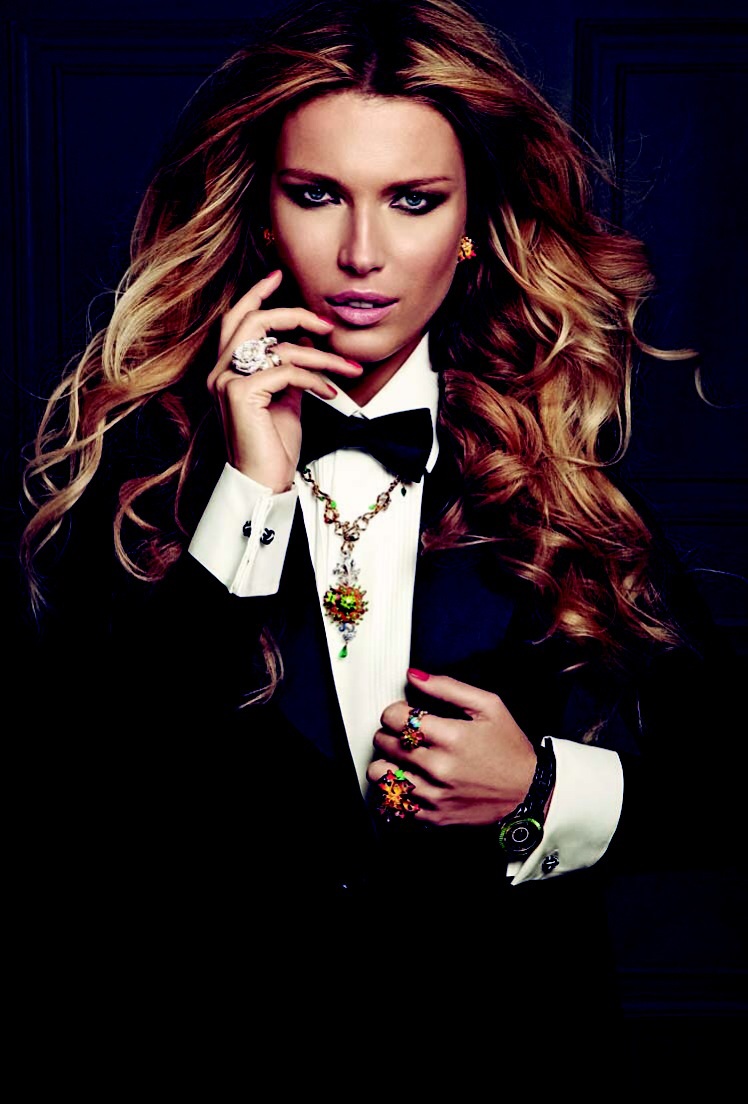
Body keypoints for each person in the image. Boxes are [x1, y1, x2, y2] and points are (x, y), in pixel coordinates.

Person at [17, 0, 743, 1084]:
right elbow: (96, 806)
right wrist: (250, 491)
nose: (362, 254)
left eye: (413, 200)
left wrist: (538, 791)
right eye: (317, 195)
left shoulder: (554, 484)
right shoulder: (137, 482)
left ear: (471, 222)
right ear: (263, 215)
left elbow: (725, 781)